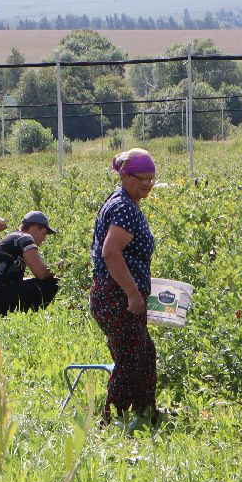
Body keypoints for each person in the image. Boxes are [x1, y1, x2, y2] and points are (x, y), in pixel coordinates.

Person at [91, 148, 159, 419]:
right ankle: (115, 418)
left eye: (152, 179)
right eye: (142, 179)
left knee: (142, 352)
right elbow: (111, 252)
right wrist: (132, 293)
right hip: (116, 296)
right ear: (125, 176)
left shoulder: (123, 203)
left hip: (114, 294)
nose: (148, 184)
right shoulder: (123, 208)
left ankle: (144, 412)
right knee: (131, 358)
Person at [0, 210, 59, 328]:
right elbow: (42, 273)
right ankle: (34, 324)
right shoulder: (25, 238)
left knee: (35, 282)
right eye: (43, 233)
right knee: (54, 282)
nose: (44, 239)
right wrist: (62, 267)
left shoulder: (12, 239)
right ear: (34, 228)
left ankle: (3, 326)